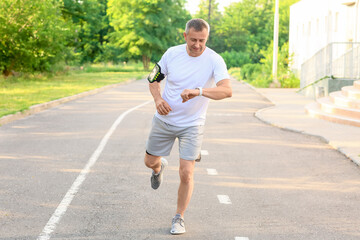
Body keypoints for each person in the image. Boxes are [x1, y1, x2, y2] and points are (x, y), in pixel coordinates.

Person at [144, 18, 232, 235]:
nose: (197, 45)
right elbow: (152, 78)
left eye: (202, 40)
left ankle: (179, 217)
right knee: (149, 162)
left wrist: (199, 91)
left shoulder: (214, 60)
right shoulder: (172, 54)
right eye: (193, 40)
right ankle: (158, 168)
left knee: (186, 173)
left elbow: (227, 90)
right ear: (185, 36)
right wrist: (157, 100)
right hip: (164, 120)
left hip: (193, 125)